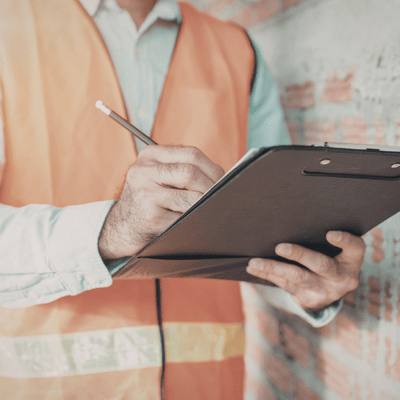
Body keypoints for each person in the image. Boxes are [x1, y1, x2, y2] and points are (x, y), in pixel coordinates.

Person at [0, 0, 365, 399]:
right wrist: (111, 230)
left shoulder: (238, 51)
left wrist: (306, 284)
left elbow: (265, 228)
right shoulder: (9, 29)